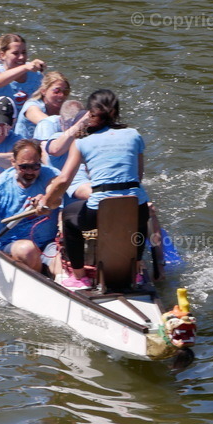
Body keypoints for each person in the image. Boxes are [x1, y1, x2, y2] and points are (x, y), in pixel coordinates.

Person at [36, 88, 154, 290]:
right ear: (115, 112)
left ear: (90, 113)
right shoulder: (135, 135)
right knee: (139, 221)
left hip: (100, 209)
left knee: (69, 218)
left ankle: (79, 277)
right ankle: (135, 273)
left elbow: (63, 180)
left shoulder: (82, 142)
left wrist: (46, 203)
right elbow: (138, 176)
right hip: (136, 205)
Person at [0, 139, 60, 271]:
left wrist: (46, 201)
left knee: (64, 264)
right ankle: (39, 275)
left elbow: (56, 198)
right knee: (27, 250)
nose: (30, 172)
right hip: (15, 245)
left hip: (49, 244)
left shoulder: (51, 174)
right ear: (13, 162)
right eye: (24, 167)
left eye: (35, 166)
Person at [33, 98, 92, 200]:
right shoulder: (57, 137)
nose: (84, 128)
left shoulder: (90, 139)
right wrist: (80, 124)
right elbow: (55, 150)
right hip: (74, 186)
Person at [0, 33, 44, 110]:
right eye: (15, 53)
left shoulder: (35, 74)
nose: (21, 57)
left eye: (24, 52)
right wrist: (25, 67)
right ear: (2, 55)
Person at [16, 71, 70, 139]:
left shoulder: (66, 109)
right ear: (44, 91)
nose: (61, 95)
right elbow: (47, 123)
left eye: (65, 92)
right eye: (56, 91)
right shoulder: (31, 106)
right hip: (24, 144)